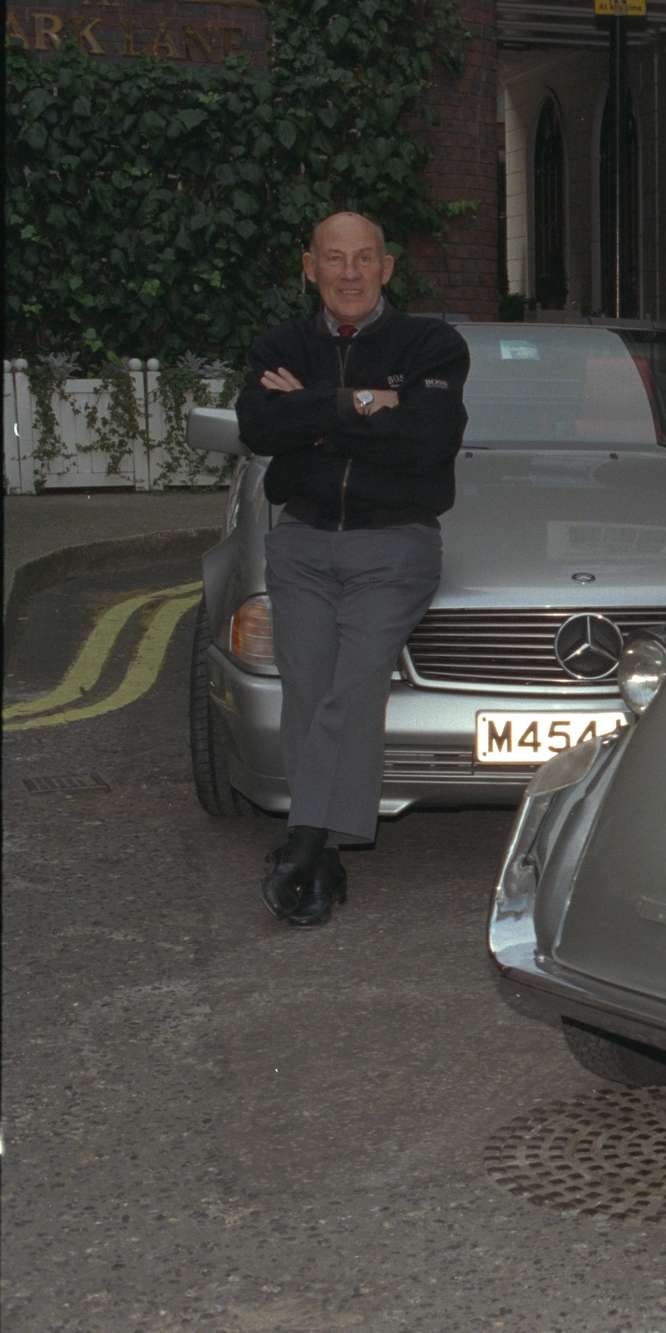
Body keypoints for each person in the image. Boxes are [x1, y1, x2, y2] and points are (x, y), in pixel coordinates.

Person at [235, 211, 470, 927]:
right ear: (308, 267)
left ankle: (304, 842)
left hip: (393, 546)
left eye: (363, 258)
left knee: (356, 681)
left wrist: (310, 411)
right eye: (333, 259)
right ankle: (326, 857)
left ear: (387, 267)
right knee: (307, 684)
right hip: (302, 541)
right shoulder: (280, 343)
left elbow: (427, 442)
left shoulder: (431, 343)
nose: (348, 273)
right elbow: (259, 426)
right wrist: (362, 403)